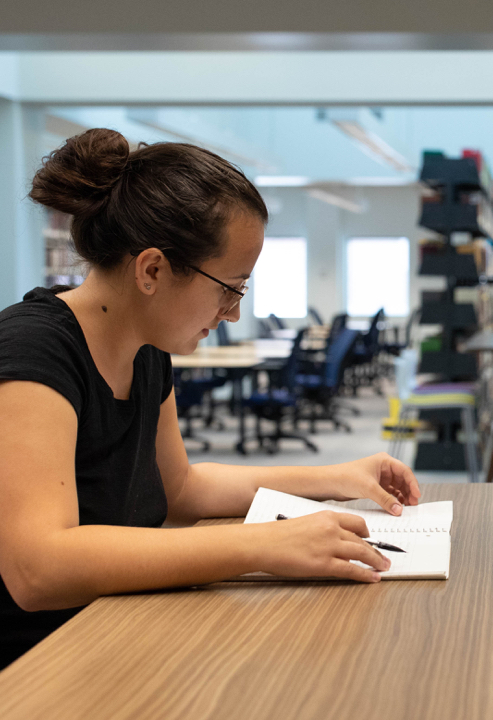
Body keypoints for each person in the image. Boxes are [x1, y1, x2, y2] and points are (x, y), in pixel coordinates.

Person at [0, 129, 421, 670]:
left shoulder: (147, 351)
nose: (233, 314)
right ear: (152, 270)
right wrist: (259, 547)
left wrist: (335, 478)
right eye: (229, 287)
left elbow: (181, 487)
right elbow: (38, 568)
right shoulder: (32, 352)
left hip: (110, 630)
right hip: (34, 668)